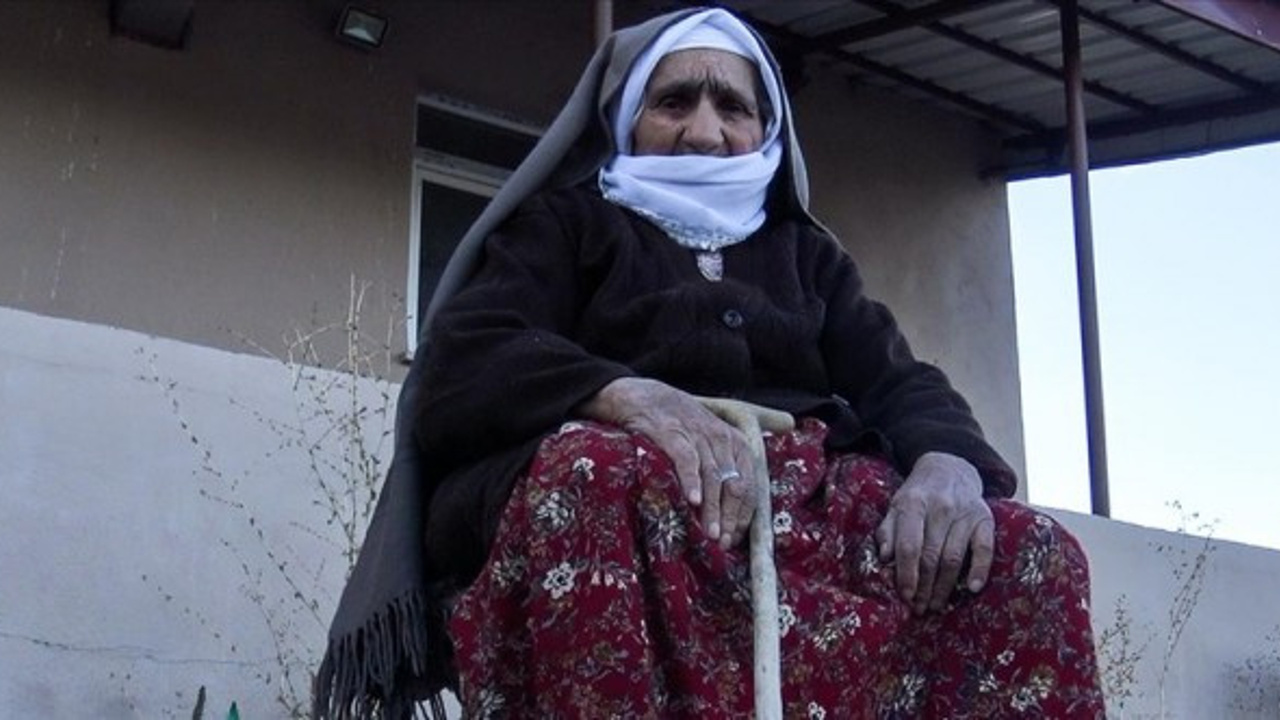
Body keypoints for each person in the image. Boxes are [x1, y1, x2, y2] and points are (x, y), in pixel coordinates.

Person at [315, 7, 1105, 719]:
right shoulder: (566, 225)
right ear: (628, 119)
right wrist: (622, 396)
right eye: (674, 102)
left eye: (733, 107)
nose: (703, 132)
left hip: (802, 508)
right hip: (629, 500)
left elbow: (899, 381)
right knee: (593, 475)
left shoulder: (806, 254)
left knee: (1026, 550)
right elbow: (466, 357)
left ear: (766, 129)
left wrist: (948, 463)